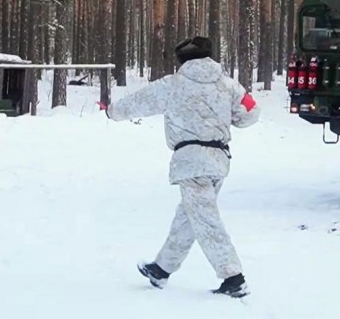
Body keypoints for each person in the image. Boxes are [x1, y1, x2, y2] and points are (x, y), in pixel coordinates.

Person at [102, 36, 259, 298]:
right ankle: (162, 269)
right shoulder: (229, 85)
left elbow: (137, 102)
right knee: (190, 216)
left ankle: (234, 277)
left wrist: (112, 111)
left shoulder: (173, 84)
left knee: (206, 220)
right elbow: (251, 112)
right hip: (219, 160)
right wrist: (230, 120)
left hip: (191, 161)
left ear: (182, 59)